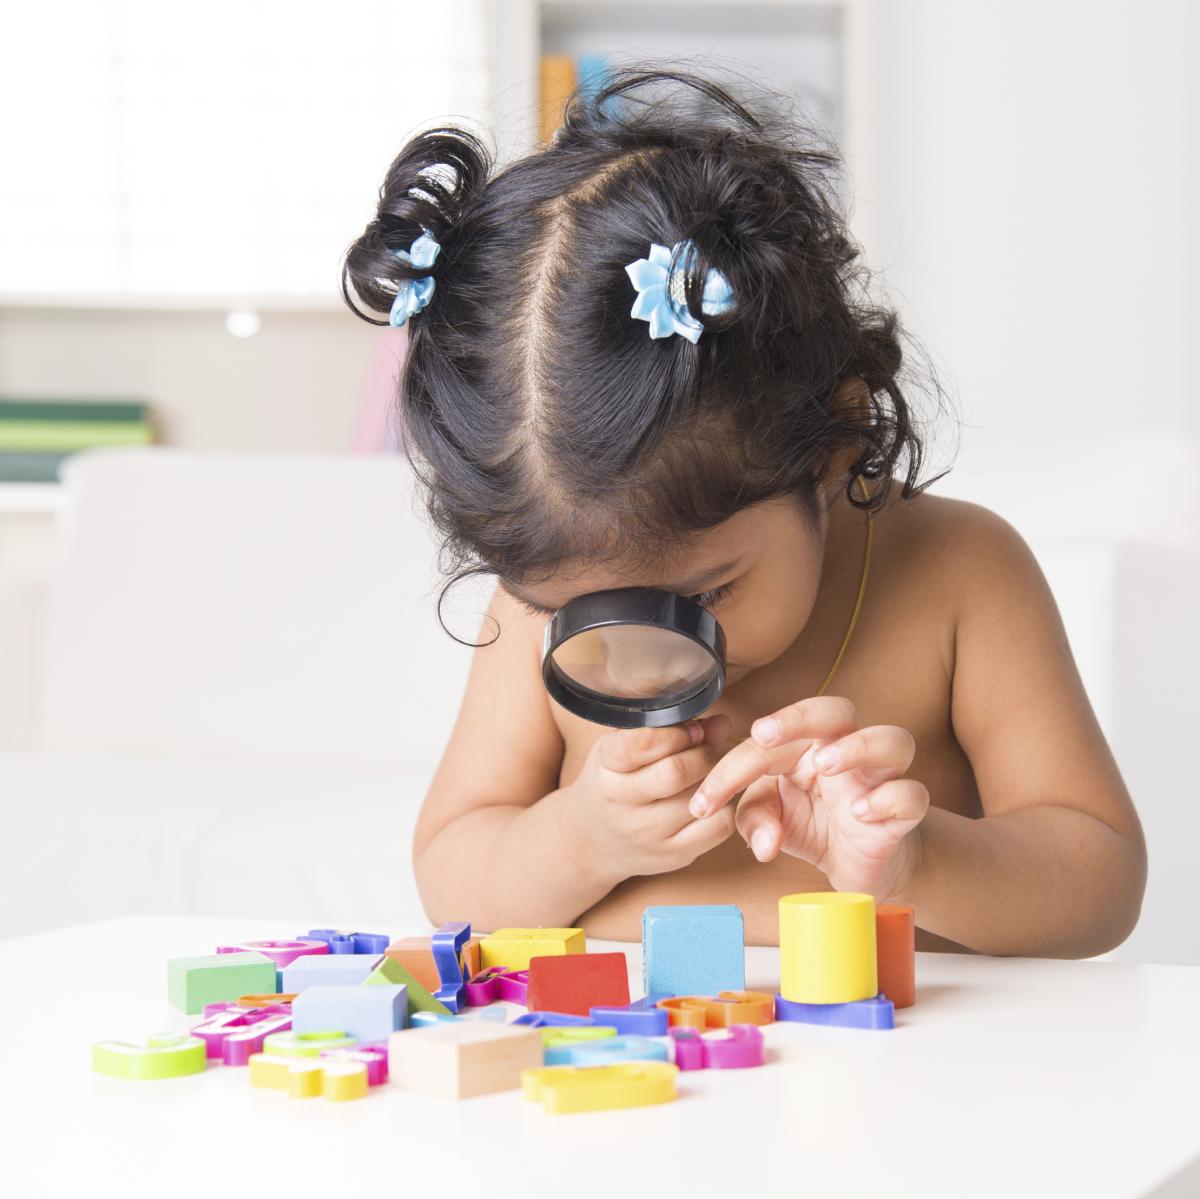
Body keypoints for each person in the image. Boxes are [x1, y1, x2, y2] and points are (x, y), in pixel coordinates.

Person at [341, 67, 1145, 953]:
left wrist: (917, 862)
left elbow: (1099, 880)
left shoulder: (961, 575)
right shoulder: (534, 606)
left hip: (894, 1037)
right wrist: (581, 838)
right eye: (579, 612)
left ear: (832, 442)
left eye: (706, 594)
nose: (653, 655)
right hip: (624, 1035)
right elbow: (451, 868)